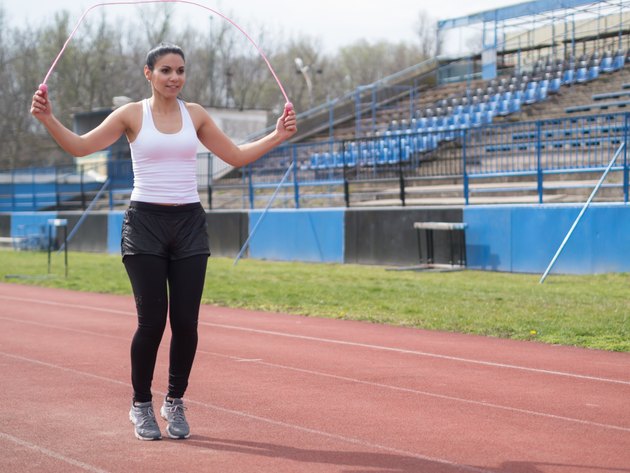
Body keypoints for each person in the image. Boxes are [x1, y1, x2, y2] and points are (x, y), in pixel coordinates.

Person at [31, 42, 297, 441]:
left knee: (186, 324)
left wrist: (276, 136)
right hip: (145, 225)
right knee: (152, 322)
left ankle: (174, 400)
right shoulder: (131, 115)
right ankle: (140, 404)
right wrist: (49, 118)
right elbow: (82, 146)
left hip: (189, 222)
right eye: (166, 70)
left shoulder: (197, 115)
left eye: (180, 70)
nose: (175, 77)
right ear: (148, 73)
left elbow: (236, 156)